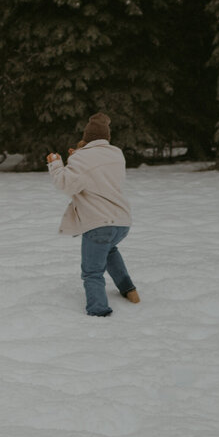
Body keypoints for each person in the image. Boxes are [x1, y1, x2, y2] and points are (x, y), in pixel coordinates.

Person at [47, 112, 140, 317]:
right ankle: (129, 290)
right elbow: (96, 174)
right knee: (109, 251)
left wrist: (56, 163)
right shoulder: (116, 154)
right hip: (122, 222)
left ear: (86, 137)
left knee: (92, 271)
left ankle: (98, 311)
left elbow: (66, 184)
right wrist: (75, 158)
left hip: (98, 224)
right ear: (106, 137)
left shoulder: (82, 157)